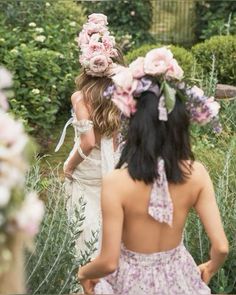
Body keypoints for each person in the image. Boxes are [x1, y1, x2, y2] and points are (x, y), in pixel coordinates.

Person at [77, 47, 228, 294]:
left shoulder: (116, 183)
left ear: (134, 125)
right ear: (181, 123)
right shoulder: (197, 174)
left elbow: (108, 261)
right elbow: (221, 247)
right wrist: (210, 267)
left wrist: (83, 273)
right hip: (180, 277)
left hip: (129, 283)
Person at [55, 13, 125, 259]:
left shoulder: (81, 97)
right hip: (113, 167)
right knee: (113, 225)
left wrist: (68, 167)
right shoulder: (121, 91)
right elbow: (117, 136)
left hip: (87, 172)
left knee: (87, 227)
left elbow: (88, 142)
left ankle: (89, 272)